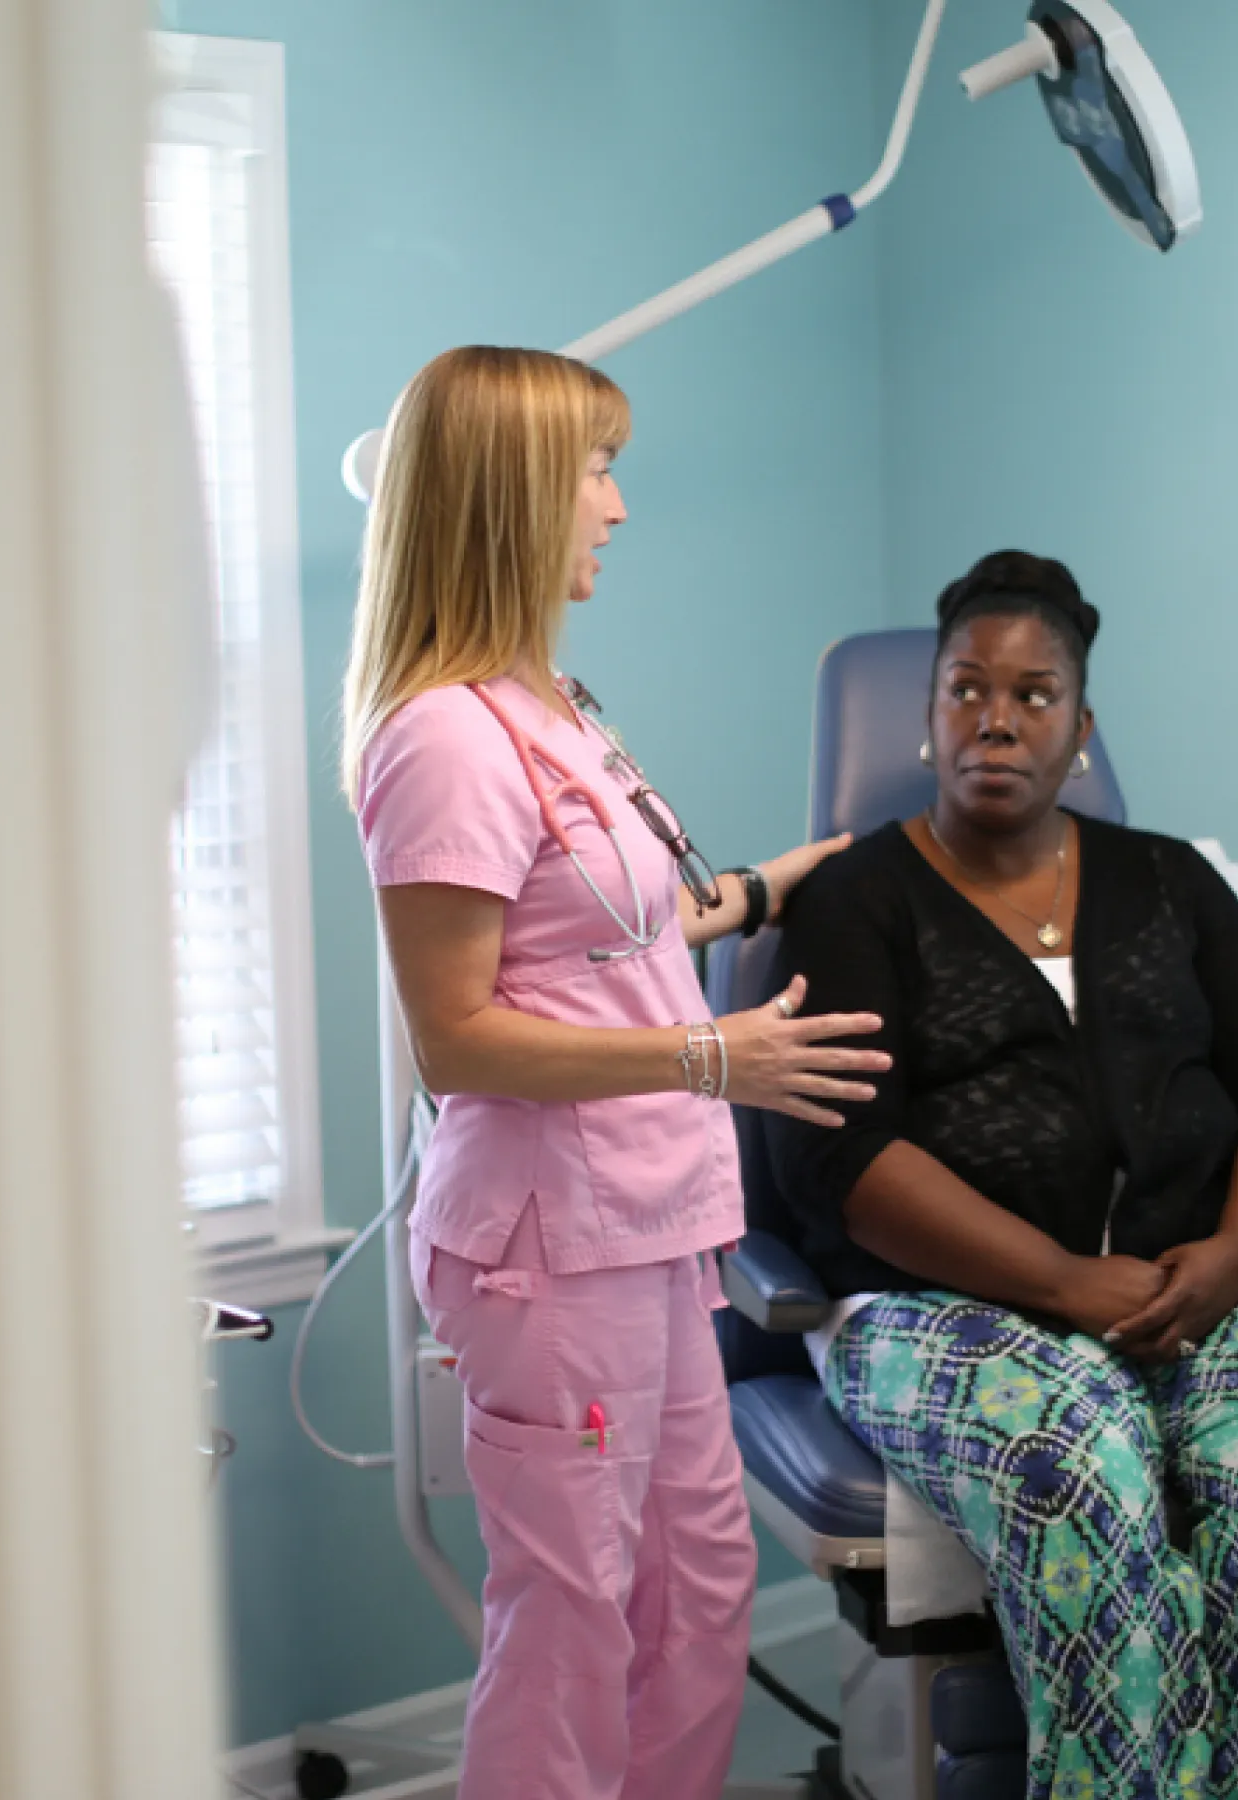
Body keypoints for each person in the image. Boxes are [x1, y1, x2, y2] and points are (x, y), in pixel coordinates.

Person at [765, 551, 1238, 1800]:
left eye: (1035, 694)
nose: (996, 719)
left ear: (1081, 726)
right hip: (939, 1305)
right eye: (966, 689)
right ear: (930, 711)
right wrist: (1062, 1282)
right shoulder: (853, 903)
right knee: (1079, 1472)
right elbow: (840, 1162)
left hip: (1196, 1276)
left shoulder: (1170, 880)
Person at [343, 345, 889, 1800]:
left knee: (698, 1588)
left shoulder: (555, 704)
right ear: (514, 493)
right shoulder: (443, 739)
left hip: (655, 1224)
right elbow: (454, 1035)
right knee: (575, 1615)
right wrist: (719, 1054)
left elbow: (613, 926)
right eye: (596, 469)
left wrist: (777, 888)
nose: (619, 507)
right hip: (551, 1246)